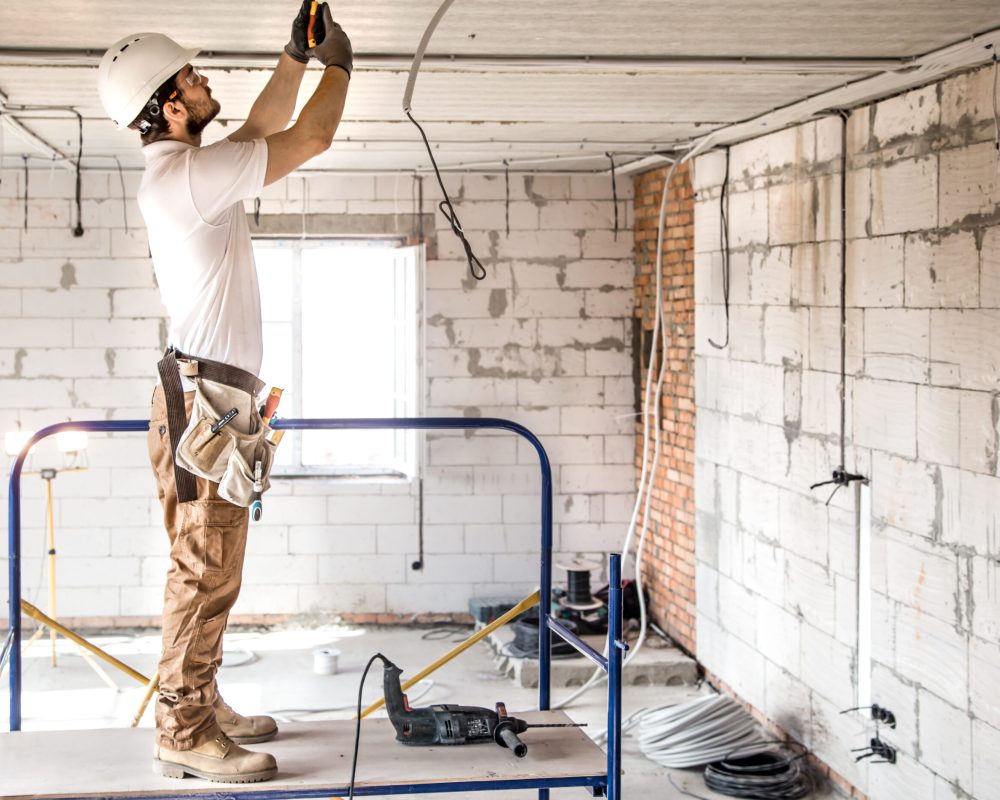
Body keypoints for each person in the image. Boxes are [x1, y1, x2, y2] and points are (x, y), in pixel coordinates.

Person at [96, 1, 351, 784]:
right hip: (204, 400)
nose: (208, 83)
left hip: (208, 396)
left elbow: (257, 134)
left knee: (209, 565)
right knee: (203, 569)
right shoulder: (186, 181)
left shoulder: (191, 172)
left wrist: (294, 58)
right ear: (171, 106)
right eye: (195, 79)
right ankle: (182, 729)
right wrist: (340, 62)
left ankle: (199, 699)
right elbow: (308, 137)